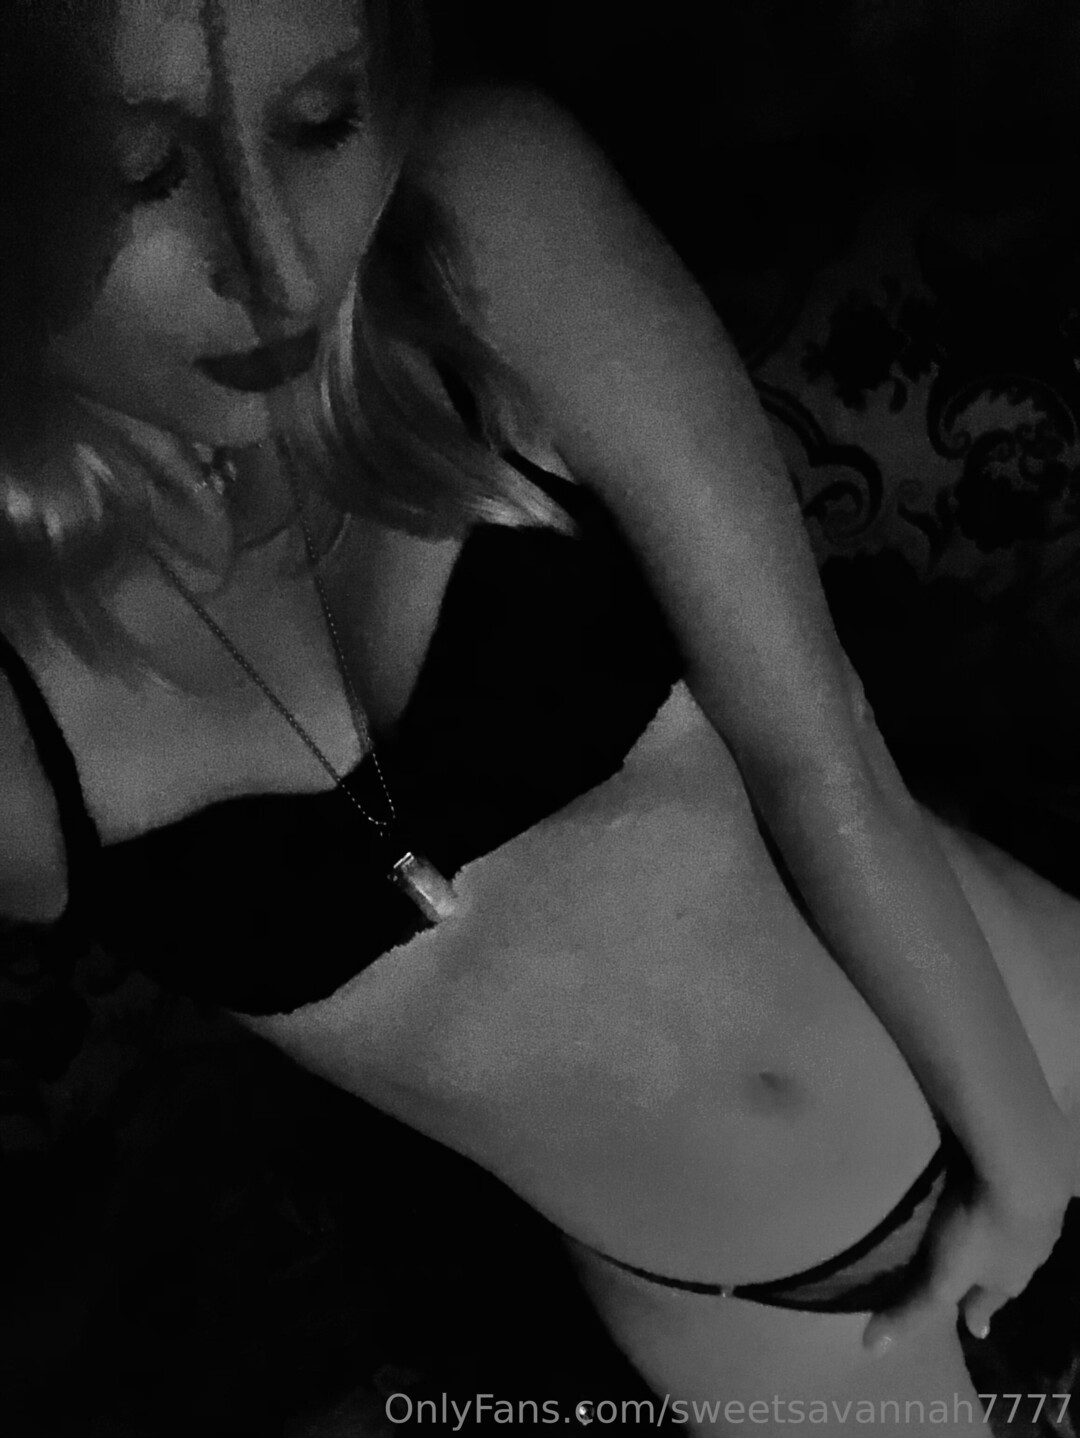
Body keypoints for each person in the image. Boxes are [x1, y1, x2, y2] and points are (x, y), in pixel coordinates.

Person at [0, 0, 1076, 1431]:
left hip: (1045, 1046)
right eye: (139, 173)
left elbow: (822, 747)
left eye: (323, 120)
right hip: (782, 1340)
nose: (276, 262)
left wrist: (1030, 1169)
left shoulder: (483, 208)